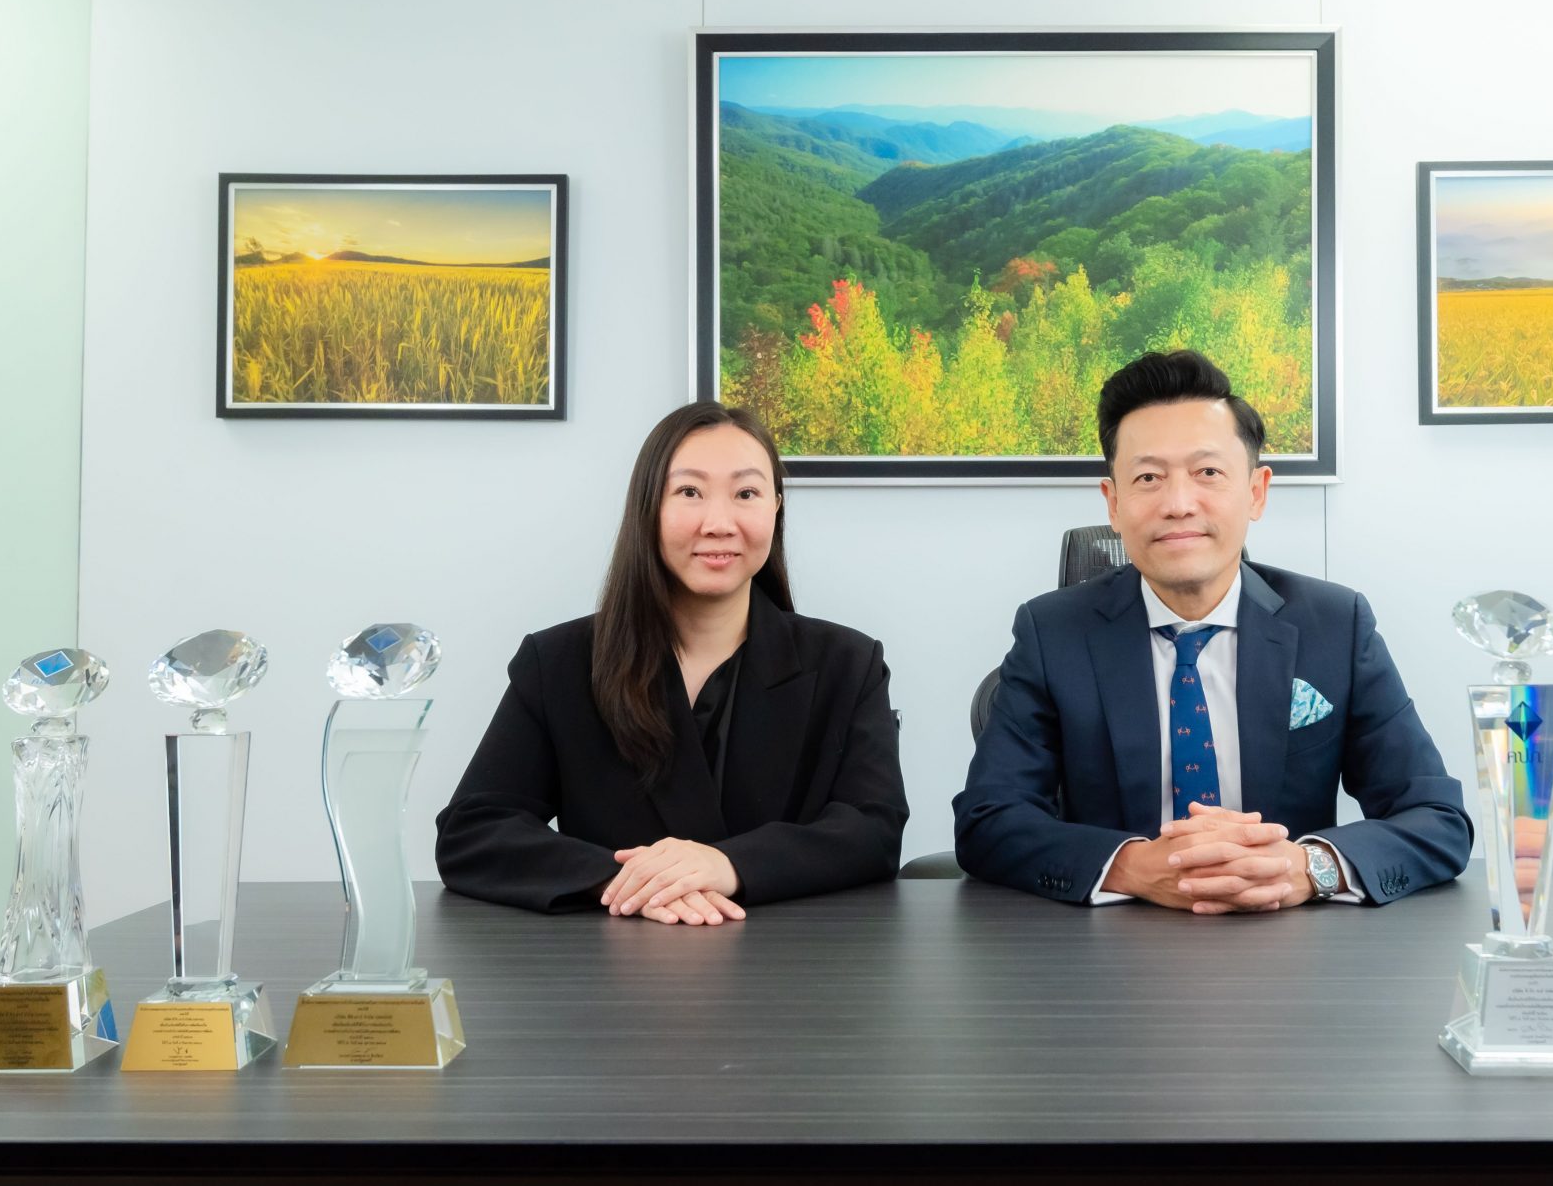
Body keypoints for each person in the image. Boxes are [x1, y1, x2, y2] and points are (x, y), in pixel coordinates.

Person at [954, 350, 1471, 912]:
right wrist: (1131, 867)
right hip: (1110, 943)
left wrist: (1307, 867)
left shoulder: (1334, 625)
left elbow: (1436, 818)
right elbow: (988, 819)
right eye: (1148, 478)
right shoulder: (1053, 632)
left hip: (1291, 937)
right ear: (1114, 503)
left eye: (1208, 473)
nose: (1178, 504)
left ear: (1256, 492)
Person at [436, 402, 906, 924]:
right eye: (689, 492)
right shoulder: (558, 662)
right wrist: (628, 881)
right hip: (613, 956)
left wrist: (729, 864)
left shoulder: (849, 664)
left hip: (790, 957)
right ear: (648, 508)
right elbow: (473, 831)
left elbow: (874, 830)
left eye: (746, 494)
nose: (719, 524)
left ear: (776, 507)